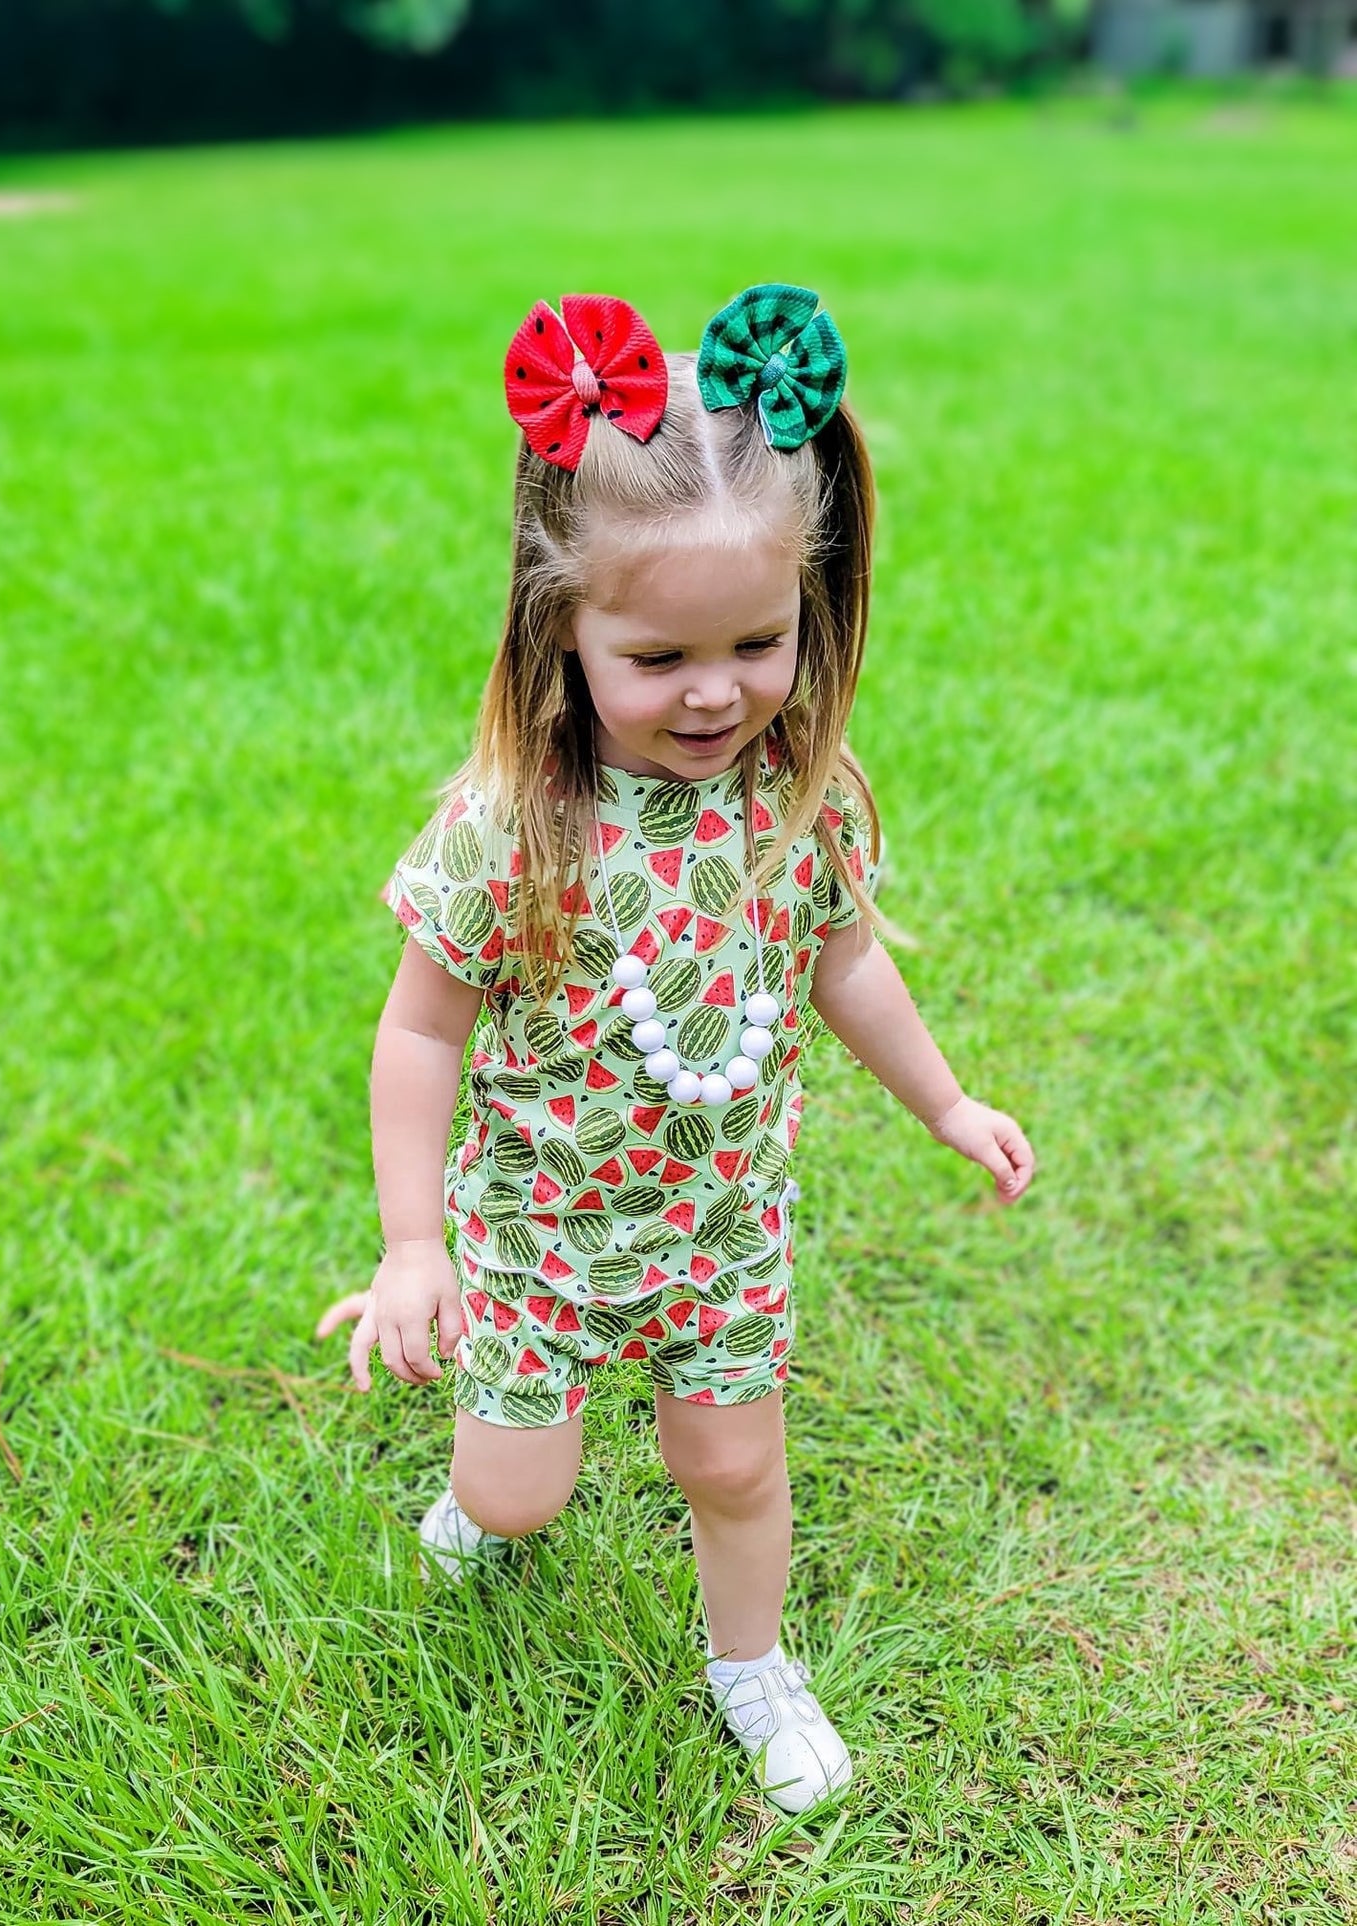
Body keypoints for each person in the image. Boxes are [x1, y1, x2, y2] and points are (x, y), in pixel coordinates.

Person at [316, 284, 1036, 1816]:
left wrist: (947, 1098)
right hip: (544, 1227)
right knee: (520, 1500)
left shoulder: (805, 795)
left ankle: (748, 1661)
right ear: (557, 628)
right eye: (658, 656)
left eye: (758, 640)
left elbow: (845, 963)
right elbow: (417, 1028)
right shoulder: (511, 822)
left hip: (719, 1226)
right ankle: (474, 1493)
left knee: (731, 1467)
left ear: (807, 607)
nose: (716, 690)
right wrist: (409, 1240)